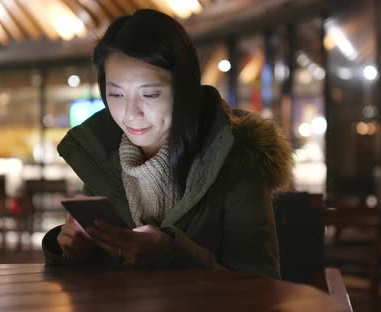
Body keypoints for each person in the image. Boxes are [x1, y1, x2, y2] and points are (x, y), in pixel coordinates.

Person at [42, 9, 293, 279]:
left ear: (184, 90)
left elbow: (262, 288)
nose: (130, 113)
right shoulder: (103, 159)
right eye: (116, 94)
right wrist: (79, 252)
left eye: (149, 94)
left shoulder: (236, 159)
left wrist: (170, 253)